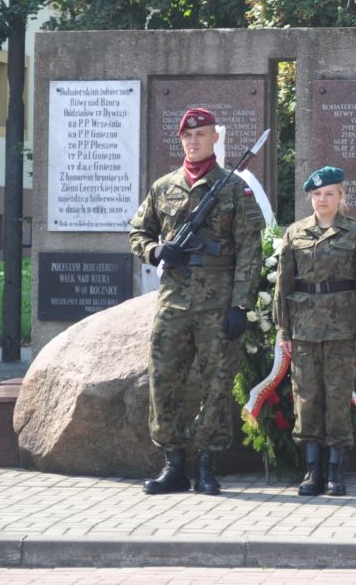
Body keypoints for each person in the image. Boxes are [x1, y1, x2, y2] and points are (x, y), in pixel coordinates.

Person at [129, 107, 266, 496]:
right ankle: (173, 464)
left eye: (201, 135)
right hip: (173, 302)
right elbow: (138, 232)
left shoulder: (234, 189)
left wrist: (241, 305)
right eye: (188, 137)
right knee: (163, 381)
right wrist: (156, 252)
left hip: (218, 303)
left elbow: (249, 250)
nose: (194, 141)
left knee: (217, 384)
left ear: (215, 139)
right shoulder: (163, 187)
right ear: (181, 141)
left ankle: (207, 463)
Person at [274, 166, 356, 497]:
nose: (323, 199)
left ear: (341, 197)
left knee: (336, 397)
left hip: (341, 328)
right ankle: (312, 470)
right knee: (306, 398)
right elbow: (283, 284)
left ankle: (335, 470)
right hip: (304, 328)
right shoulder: (295, 233)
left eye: (330, 193)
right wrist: (283, 329)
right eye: (317, 194)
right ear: (310, 197)